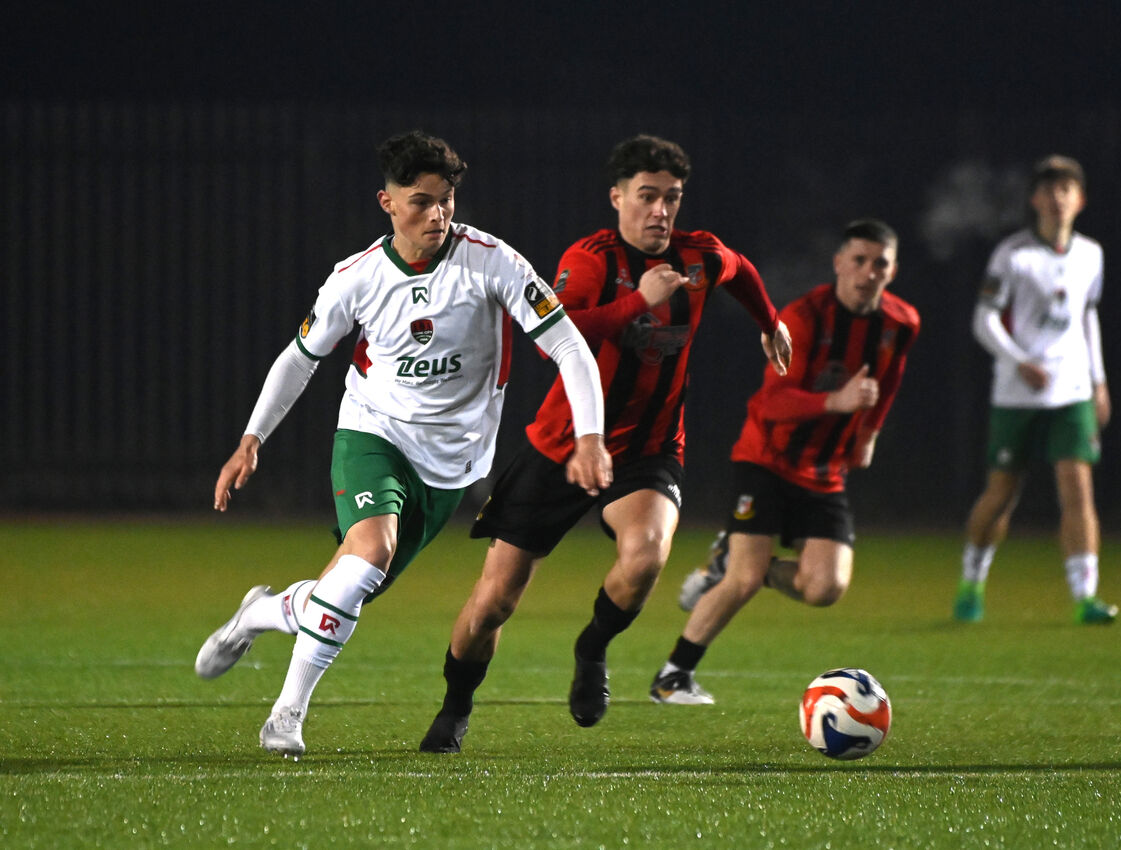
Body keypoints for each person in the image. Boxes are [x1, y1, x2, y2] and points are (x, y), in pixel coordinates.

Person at [193, 130, 611, 759]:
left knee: (349, 588)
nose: (437, 214)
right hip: (373, 431)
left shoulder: (493, 261)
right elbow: (299, 358)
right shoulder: (355, 279)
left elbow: (569, 345)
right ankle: (286, 714)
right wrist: (251, 439)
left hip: (452, 464)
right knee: (368, 554)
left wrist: (590, 436)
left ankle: (260, 613)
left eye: (445, 200)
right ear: (386, 202)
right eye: (420, 201)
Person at [418, 134, 792, 752]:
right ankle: (456, 705)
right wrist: (635, 306)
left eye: (671, 198)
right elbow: (552, 335)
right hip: (561, 446)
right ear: (617, 198)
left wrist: (769, 320)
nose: (660, 211)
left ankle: (591, 650)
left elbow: (742, 270)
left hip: (647, 451)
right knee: (493, 604)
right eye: (647, 196)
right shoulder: (592, 260)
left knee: (647, 556)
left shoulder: (699, 257)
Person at [649, 218, 919, 705]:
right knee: (745, 581)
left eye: (880, 263)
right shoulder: (804, 317)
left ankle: (727, 561)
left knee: (825, 588)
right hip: (767, 460)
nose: (868, 272)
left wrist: (870, 432)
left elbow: (889, 378)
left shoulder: (901, 323)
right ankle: (672, 677)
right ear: (839, 263)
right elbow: (770, 405)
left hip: (824, 470)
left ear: (893, 270)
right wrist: (837, 403)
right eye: (858, 260)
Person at [952, 155, 1116, 624]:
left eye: (1066, 189)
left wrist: (1099, 381)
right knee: (1002, 494)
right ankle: (972, 582)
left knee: (1078, 490)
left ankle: (1086, 596)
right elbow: (982, 319)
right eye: (1049, 189)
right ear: (1035, 199)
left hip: (1072, 392)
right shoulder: (1013, 255)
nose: (1058, 197)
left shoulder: (1091, 254)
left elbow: (1088, 317)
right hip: (1017, 394)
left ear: (1079, 200)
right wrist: (1018, 361)